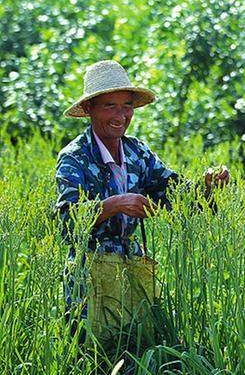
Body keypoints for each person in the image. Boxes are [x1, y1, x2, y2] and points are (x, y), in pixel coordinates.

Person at [55, 60, 229, 326]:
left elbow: (174, 194)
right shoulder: (74, 157)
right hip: (89, 272)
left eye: (126, 106)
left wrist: (206, 187)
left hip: (132, 267)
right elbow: (67, 222)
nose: (120, 116)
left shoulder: (137, 153)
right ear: (90, 109)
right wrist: (114, 204)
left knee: (138, 344)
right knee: (94, 354)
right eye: (109, 106)